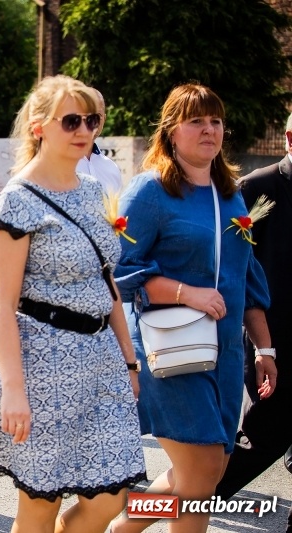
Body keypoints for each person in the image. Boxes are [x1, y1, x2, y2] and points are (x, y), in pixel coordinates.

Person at [0, 75, 145, 533]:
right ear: (39, 126)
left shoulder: (95, 192)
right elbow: (1, 303)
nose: (84, 130)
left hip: (101, 363)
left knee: (110, 497)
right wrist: (14, 390)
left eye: (92, 120)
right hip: (42, 366)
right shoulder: (16, 201)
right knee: (40, 504)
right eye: (72, 120)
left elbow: (107, 281)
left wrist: (130, 360)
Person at [111, 83, 276, 533]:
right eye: (196, 121)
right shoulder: (150, 191)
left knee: (207, 473)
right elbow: (119, 270)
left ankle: (124, 526)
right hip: (171, 352)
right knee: (201, 471)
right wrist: (187, 292)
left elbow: (248, 275)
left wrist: (265, 349)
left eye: (216, 121)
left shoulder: (232, 194)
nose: (209, 130)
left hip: (225, 357)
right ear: (171, 131)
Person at [215, 112, 292, 533]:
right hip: (273, 340)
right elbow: (235, 270)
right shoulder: (257, 189)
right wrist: (262, 346)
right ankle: (154, 514)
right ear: (289, 137)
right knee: (259, 440)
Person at [75, 88, 122, 192]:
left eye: (98, 116)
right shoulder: (61, 165)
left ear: (104, 119)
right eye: (87, 115)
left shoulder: (112, 169)